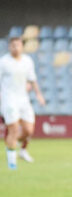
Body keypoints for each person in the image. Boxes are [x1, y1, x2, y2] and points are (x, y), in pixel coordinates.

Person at [1, 37, 45, 170]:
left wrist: (38, 94)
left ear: (22, 47)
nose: (16, 47)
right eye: (13, 45)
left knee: (28, 130)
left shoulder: (27, 61)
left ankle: (12, 145)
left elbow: (32, 79)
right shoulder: (3, 62)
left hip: (23, 99)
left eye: (18, 45)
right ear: (9, 47)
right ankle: (12, 164)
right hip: (9, 99)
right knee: (13, 129)